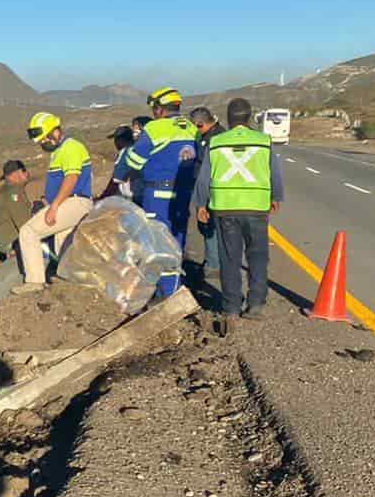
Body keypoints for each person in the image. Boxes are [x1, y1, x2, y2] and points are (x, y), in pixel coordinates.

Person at [194, 96, 285, 334]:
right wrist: (276, 196)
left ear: (228, 118)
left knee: (230, 259)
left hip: (225, 208)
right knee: (257, 257)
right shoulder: (263, 141)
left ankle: (231, 306)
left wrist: (201, 205)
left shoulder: (216, 142)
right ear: (248, 116)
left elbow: (204, 177)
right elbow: (273, 172)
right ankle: (255, 304)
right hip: (256, 206)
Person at [120, 86, 198, 298]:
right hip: (183, 193)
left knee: (157, 243)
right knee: (177, 240)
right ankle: (175, 287)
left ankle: (164, 293)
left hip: (158, 194)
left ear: (160, 108)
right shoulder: (191, 127)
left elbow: (134, 161)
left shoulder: (155, 129)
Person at [14, 111, 93, 294]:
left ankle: (34, 283)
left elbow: (71, 178)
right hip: (70, 202)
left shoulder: (70, 147)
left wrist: (54, 206)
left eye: (44, 140)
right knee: (62, 240)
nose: (43, 144)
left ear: (54, 133)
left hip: (73, 201)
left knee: (29, 232)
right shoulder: (59, 151)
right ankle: (73, 280)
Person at [189, 107, 223, 287]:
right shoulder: (213, 135)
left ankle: (213, 264)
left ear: (201, 124)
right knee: (211, 228)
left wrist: (201, 200)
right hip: (215, 189)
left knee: (209, 226)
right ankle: (214, 261)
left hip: (211, 189)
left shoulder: (213, 139)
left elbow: (205, 170)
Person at [98, 125, 138, 200]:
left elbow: (116, 179)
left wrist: (103, 197)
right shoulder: (137, 149)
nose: (115, 142)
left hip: (133, 198)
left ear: (121, 140)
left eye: (116, 139)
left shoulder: (126, 152)